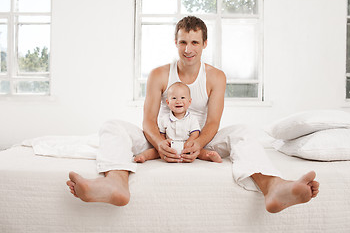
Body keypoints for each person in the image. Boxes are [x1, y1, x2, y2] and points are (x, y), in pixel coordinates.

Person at [67, 16, 319, 213]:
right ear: (175, 43)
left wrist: (198, 144)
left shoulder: (216, 77)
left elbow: (212, 122)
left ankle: (274, 187)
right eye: (183, 42)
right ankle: (115, 184)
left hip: (201, 138)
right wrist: (159, 144)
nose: (188, 49)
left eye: (194, 42)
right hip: (160, 137)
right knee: (113, 125)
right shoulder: (159, 74)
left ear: (204, 44)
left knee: (243, 131)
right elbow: (148, 120)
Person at [134, 81, 222, 163]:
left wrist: (190, 142)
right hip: (170, 146)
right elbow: (161, 133)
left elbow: (195, 133)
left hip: (186, 146)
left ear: (189, 102)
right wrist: (164, 142)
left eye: (183, 98)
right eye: (174, 98)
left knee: (200, 152)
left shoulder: (192, 119)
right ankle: (143, 156)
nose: (178, 101)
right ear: (168, 102)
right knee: (155, 151)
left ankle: (210, 156)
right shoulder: (165, 119)